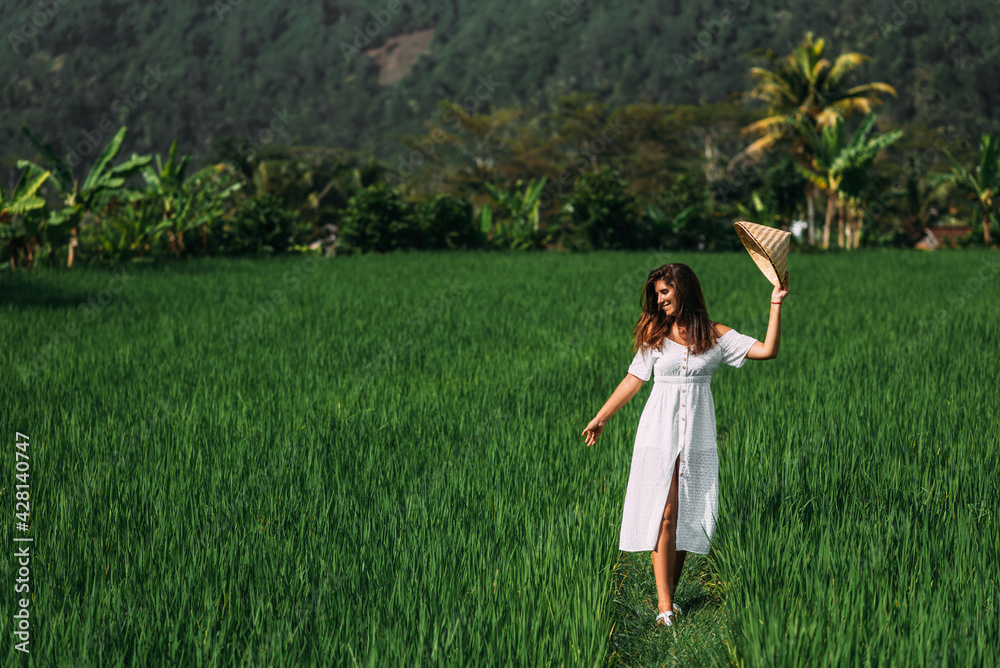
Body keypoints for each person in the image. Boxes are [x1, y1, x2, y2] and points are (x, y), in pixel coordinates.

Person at [581, 262, 789, 627]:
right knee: (662, 514)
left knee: (685, 517)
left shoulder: (715, 335)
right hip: (657, 433)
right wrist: (601, 417)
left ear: (684, 289)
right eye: (657, 294)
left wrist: (775, 303)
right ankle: (664, 607)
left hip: (698, 435)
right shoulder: (655, 336)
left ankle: (670, 597)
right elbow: (633, 380)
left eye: (665, 291)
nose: (659, 300)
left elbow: (768, 350)